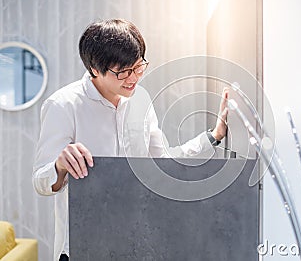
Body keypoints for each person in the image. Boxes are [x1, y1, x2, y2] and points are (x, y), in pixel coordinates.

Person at [32, 18, 228, 261]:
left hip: (134, 240)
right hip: (83, 245)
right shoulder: (63, 105)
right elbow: (40, 182)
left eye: (138, 67)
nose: (133, 78)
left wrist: (214, 136)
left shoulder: (141, 99)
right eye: (123, 72)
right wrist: (59, 167)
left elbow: (163, 161)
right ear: (94, 69)